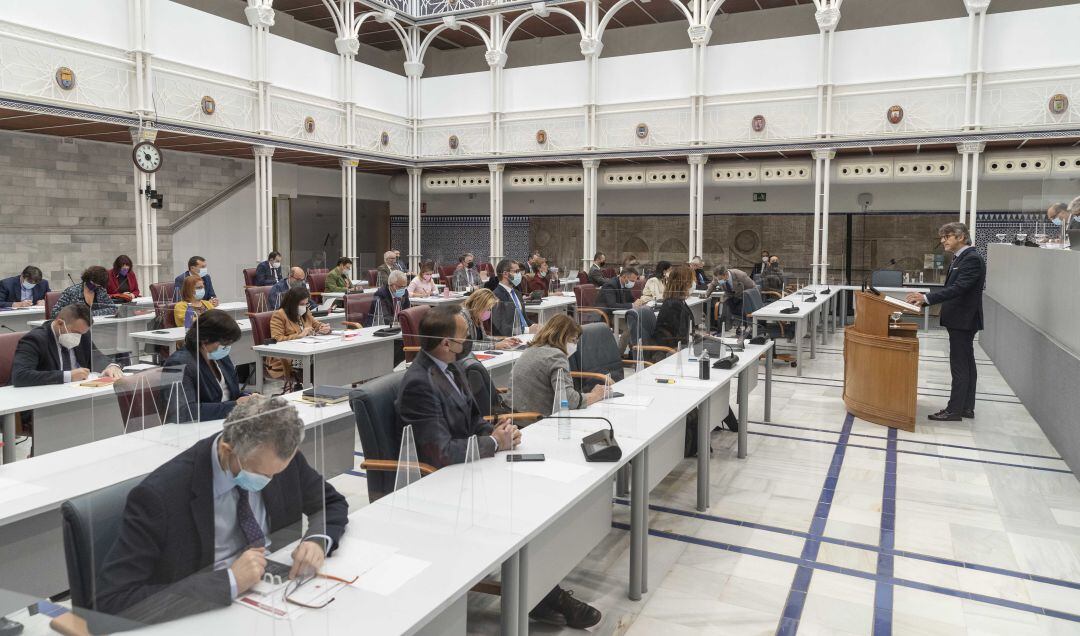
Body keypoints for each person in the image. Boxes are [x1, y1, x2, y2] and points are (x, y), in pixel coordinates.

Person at [395, 307, 603, 629]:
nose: (469, 342)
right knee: (519, 511)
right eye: (464, 336)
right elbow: (440, 451)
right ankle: (547, 597)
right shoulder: (419, 383)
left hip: (470, 466)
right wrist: (494, 444)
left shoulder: (453, 367)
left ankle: (541, 592)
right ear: (447, 343)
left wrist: (499, 431)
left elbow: (474, 419)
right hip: (440, 481)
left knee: (535, 497)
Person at [95, 396, 348, 624]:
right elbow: (114, 600)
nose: (270, 480)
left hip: (275, 595)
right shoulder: (160, 496)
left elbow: (331, 503)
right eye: (261, 474)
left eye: (276, 473)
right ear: (228, 451)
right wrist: (229, 582)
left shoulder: (279, 458)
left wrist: (316, 540)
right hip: (203, 612)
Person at [907, 222, 985, 422]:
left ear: (960, 237)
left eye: (946, 237)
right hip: (960, 319)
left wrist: (926, 298)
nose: (942, 241)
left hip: (963, 320)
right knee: (966, 364)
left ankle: (954, 410)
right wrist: (923, 303)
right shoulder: (961, 258)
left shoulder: (972, 259)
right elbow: (955, 289)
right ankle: (966, 407)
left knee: (960, 366)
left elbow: (959, 288)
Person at [161, 310, 250, 422]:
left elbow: (231, 394)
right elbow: (182, 411)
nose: (226, 347)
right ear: (205, 339)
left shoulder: (221, 357)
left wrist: (250, 398)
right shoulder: (176, 363)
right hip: (195, 429)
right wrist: (234, 405)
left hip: (223, 421)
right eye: (224, 343)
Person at [509, 314, 607, 416]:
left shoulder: (533, 348)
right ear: (562, 337)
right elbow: (569, 400)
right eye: (573, 340)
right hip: (533, 419)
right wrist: (596, 395)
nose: (575, 346)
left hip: (514, 414)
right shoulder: (556, 356)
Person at [12, 303, 123, 386]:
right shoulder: (34, 339)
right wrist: (67, 376)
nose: (79, 337)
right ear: (60, 323)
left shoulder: (82, 332)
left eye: (82, 333)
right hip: (45, 398)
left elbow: (96, 357)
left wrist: (111, 366)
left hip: (77, 392)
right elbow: (20, 376)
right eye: (76, 333)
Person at [269, 286, 331, 391]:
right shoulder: (279, 315)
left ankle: (324, 389)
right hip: (287, 357)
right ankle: (316, 392)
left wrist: (324, 328)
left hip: (306, 350)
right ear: (292, 303)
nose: (304, 307)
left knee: (326, 358)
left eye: (306, 304)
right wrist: (300, 335)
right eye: (301, 304)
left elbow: (317, 325)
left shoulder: (305, 312)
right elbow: (277, 339)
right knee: (317, 362)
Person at [458, 288, 521, 354]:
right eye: (487, 309)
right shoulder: (462, 316)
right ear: (479, 305)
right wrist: (494, 346)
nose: (488, 312)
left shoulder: (476, 315)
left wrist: (504, 340)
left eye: (489, 309)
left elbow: (484, 338)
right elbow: (465, 345)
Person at [653, 264, 696, 351]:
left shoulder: (678, 301)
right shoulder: (673, 304)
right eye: (691, 280)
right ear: (685, 283)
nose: (693, 283)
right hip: (672, 352)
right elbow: (677, 337)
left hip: (680, 347)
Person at [491, 259, 538, 337]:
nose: (519, 275)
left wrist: (535, 326)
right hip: (510, 338)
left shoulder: (517, 293)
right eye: (516, 272)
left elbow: (524, 319)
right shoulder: (495, 295)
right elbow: (501, 327)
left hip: (525, 335)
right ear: (505, 274)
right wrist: (526, 330)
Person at [707, 265, 756, 334]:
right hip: (729, 296)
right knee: (724, 309)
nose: (718, 281)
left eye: (720, 279)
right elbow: (712, 285)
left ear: (726, 274)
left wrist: (748, 297)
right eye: (717, 279)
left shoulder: (740, 275)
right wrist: (706, 295)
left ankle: (747, 330)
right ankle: (722, 330)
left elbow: (751, 286)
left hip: (743, 296)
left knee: (744, 309)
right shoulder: (717, 277)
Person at [52, 266, 117, 318]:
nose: (95, 286)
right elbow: (54, 313)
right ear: (87, 278)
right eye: (93, 283)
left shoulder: (101, 291)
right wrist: (74, 315)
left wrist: (89, 314)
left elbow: (114, 309)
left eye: (98, 285)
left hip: (98, 328)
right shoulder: (72, 292)